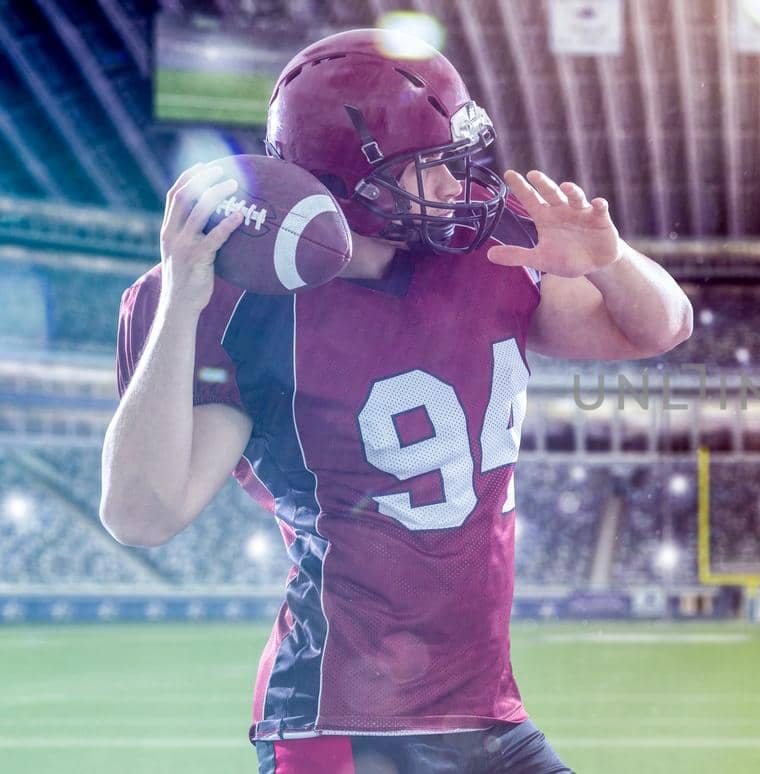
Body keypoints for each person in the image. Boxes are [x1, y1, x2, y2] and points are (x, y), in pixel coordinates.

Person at [100, 28, 692, 774]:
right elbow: (142, 515)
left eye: (457, 162)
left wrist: (611, 263)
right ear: (347, 184)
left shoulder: (491, 252)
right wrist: (182, 304)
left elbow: (663, 328)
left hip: (487, 712)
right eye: (431, 169)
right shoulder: (246, 308)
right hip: (343, 723)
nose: (456, 186)